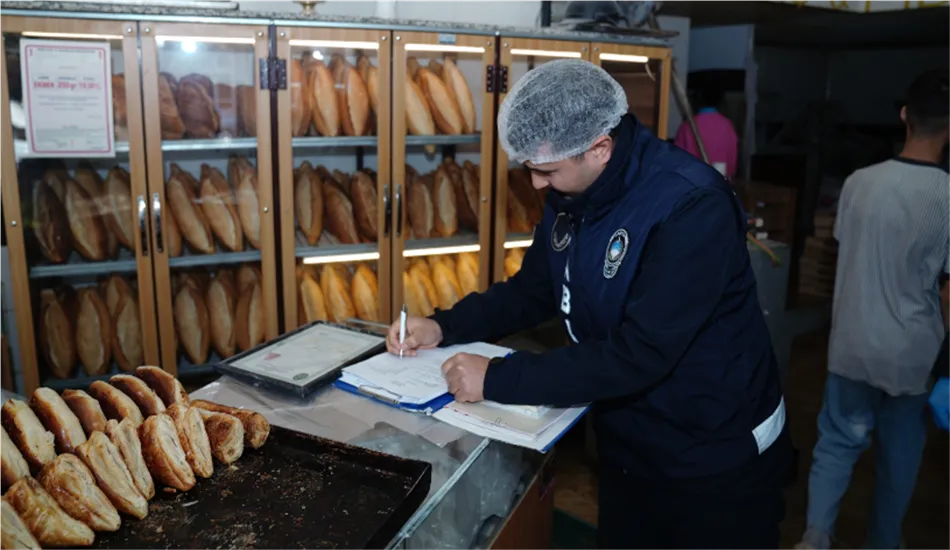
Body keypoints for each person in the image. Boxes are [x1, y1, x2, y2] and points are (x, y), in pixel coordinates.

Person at [387, 59, 791, 549]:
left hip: (714, 456)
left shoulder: (691, 206)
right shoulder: (572, 190)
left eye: (546, 171)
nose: (536, 184)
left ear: (599, 147)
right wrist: (442, 325)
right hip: (629, 442)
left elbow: (640, 353)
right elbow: (535, 289)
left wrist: (498, 377)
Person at [794, 69, 950, 550]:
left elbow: (849, 254)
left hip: (853, 343)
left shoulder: (860, 184)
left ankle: (816, 536)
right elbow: (947, 292)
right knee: (901, 449)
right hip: (913, 352)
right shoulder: (947, 195)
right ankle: (884, 542)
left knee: (838, 440)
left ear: (904, 115)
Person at [673, 79, 739, 179]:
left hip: (691, 185)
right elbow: (731, 166)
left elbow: (676, 162)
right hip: (719, 186)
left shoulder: (687, 127)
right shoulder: (728, 127)